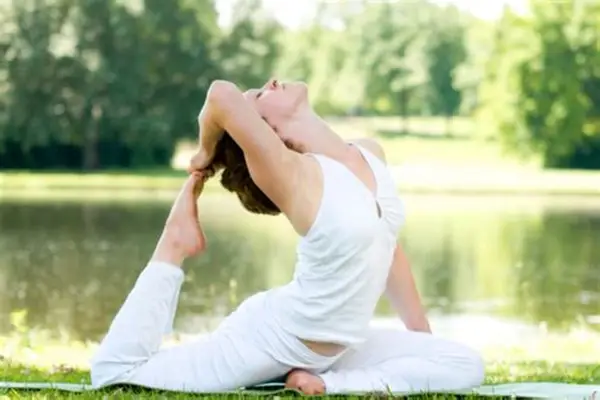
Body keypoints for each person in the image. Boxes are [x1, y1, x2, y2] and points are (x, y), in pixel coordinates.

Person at [90, 79, 485, 394]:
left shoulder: (370, 154)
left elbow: (388, 250)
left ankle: (325, 384)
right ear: (266, 132)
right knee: (117, 371)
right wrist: (204, 152)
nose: (272, 82)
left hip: (339, 351)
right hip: (275, 338)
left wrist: (424, 345)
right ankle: (174, 241)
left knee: (465, 365)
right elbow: (221, 95)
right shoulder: (291, 174)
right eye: (259, 95)